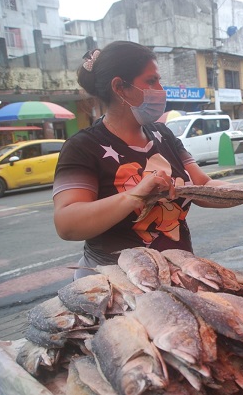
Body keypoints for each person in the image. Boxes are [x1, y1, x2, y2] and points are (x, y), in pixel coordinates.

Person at [53, 41, 233, 279]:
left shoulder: (163, 135)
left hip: (177, 272)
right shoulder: (82, 147)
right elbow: (67, 223)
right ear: (120, 87)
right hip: (119, 281)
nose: (160, 89)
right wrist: (135, 195)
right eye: (150, 81)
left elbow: (204, 187)